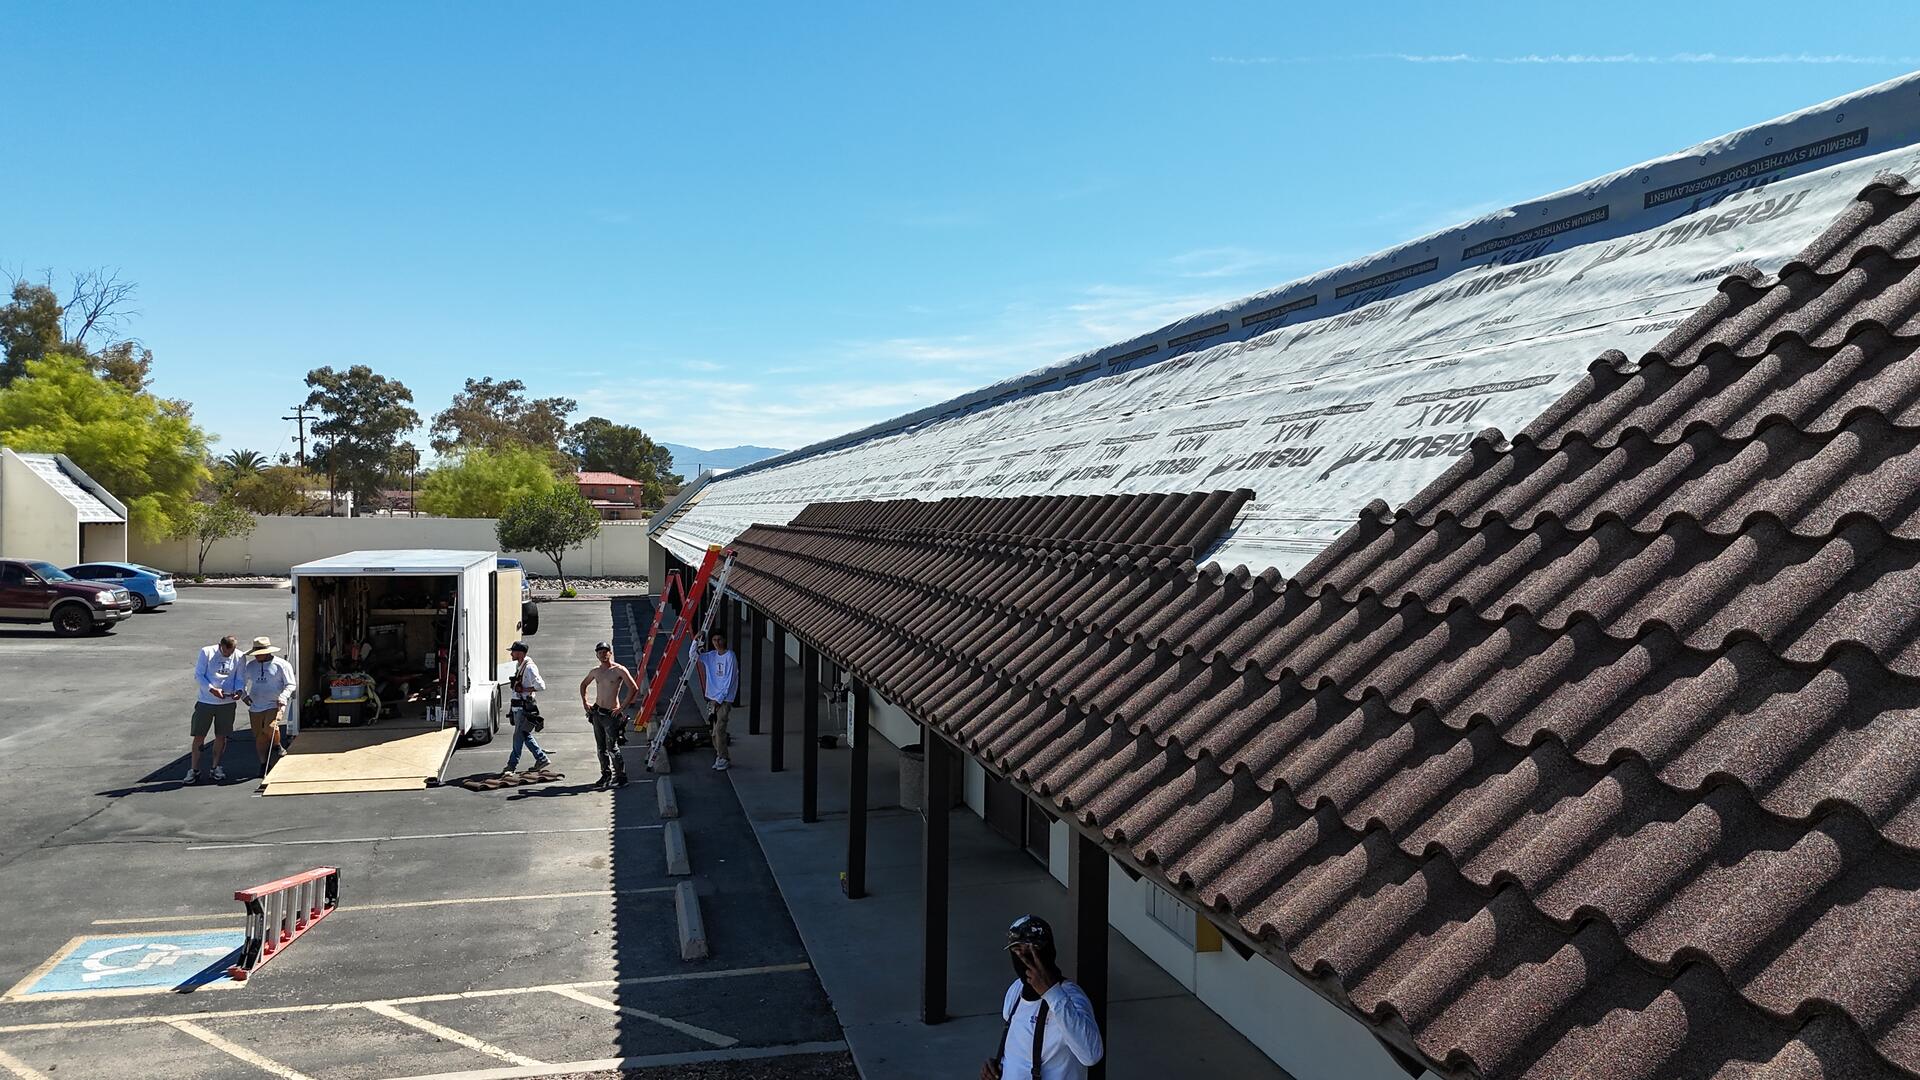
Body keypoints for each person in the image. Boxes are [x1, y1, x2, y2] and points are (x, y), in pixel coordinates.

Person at [982, 915, 1103, 1080]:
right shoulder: (1016, 990)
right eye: (1017, 952)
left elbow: (1091, 1054)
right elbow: (1021, 1050)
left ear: (1048, 952)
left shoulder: (1072, 998)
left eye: (1032, 951)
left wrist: (1052, 993)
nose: (1024, 960)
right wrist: (999, 1068)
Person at [579, 640, 640, 790]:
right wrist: (585, 702)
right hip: (597, 713)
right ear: (597, 655)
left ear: (610, 653)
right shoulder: (596, 671)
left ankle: (621, 777)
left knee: (612, 747)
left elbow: (634, 688)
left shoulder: (619, 670)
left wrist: (622, 707)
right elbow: (583, 684)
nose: (602, 655)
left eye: (605, 652)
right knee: (601, 748)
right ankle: (605, 775)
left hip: (611, 715)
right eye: (599, 653)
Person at [187, 635, 244, 783]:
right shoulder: (207, 652)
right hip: (206, 701)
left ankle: (215, 766)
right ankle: (194, 769)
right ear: (221, 646)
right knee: (199, 735)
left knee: (221, 735)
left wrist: (239, 690)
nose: (228, 655)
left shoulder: (239, 656)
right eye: (226, 652)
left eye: (231, 653)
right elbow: (199, 675)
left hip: (227, 703)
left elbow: (240, 678)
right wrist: (211, 689)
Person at [239, 636, 296, 778]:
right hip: (256, 706)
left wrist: (283, 697)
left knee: (271, 727)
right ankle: (264, 763)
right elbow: (241, 682)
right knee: (260, 736)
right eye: (255, 654)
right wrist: (244, 695)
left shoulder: (281, 665)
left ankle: (277, 745)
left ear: (267, 652)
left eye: (259, 654)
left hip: (273, 703)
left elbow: (290, 684)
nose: (257, 657)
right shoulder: (251, 666)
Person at [501, 640, 553, 775]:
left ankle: (512, 765)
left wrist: (524, 689)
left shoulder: (529, 667)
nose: (511, 654)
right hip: (518, 706)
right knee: (524, 734)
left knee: (519, 735)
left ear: (520, 653)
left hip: (524, 707)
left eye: (513, 651)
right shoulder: (521, 665)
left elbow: (541, 686)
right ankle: (541, 758)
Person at [693, 630, 738, 771]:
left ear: (724, 640)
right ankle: (720, 756)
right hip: (712, 699)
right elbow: (693, 656)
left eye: (719, 639)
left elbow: (729, 680)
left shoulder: (730, 656)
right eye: (714, 640)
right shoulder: (710, 656)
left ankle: (724, 758)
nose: (717, 643)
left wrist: (719, 699)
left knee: (720, 729)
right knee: (713, 731)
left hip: (723, 700)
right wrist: (695, 640)